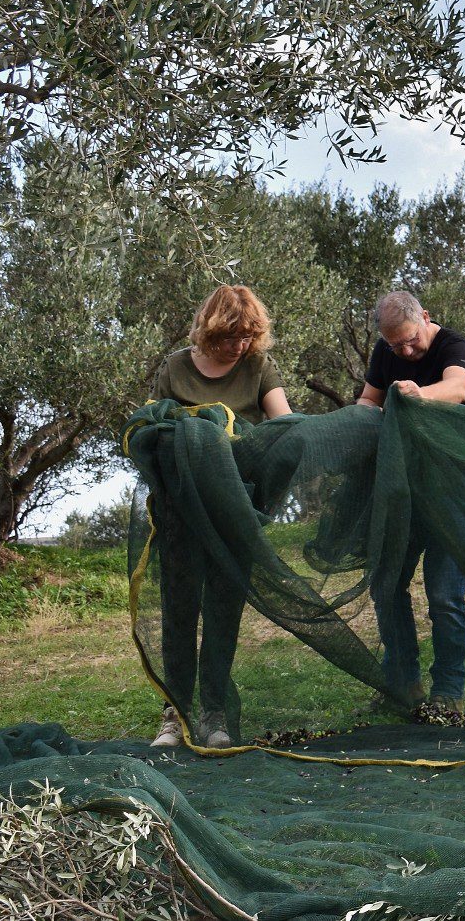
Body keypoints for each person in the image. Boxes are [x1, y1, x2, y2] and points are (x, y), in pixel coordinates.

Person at [149, 285, 294, 749]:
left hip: (234, 509)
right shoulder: (173, 368)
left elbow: (283, 425)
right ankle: (175, 714)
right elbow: (151, 433)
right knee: (179, 607)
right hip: (180, 511)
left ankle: (213, 716)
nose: (240, 345)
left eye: (249, 336)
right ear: (211, 330)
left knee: (223, 607)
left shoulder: (257, 367)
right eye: (232, 335)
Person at [356, 290, 465, 715]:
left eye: (411, 341)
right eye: (396, 346)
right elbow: (368, 400)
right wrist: (364, 416)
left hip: (454, 485)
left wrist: (417, 393)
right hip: (403, 486)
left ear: (425, 318)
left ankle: (448, 693)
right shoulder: (385, 351)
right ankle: (402, 684)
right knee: (387, 584)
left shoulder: (453, 345)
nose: (405, 351)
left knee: (444, 594)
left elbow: (457, 389)